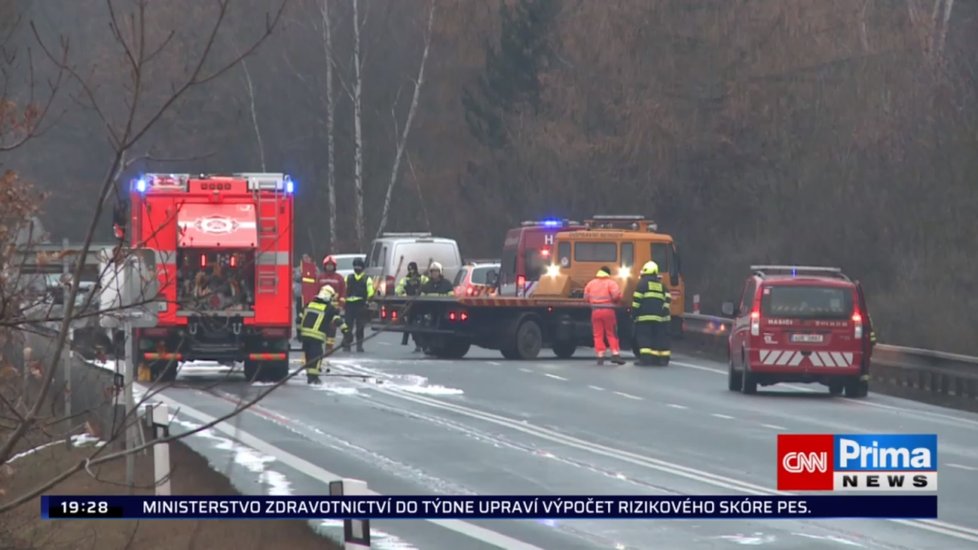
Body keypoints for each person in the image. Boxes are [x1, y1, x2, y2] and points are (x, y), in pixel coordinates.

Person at [298, 285, 348, 384]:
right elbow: (337, 320)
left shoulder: (309, 304)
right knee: (316, 357)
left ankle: (309, 376)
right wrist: (346, 331)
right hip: (316, 337)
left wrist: (299, 332)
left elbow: (299, 319)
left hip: (305, 336)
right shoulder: (329, 308)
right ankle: (314, 378)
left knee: (308, 356)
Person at [631, 261, 671, 366]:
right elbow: (667, 300)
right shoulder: (660, 285)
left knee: (643, 338)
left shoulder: (642, 284)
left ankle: (645, 360)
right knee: (656, 338)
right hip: (658, 319)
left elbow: (636, 302)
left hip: (643, 318)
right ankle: (657, 359)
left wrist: (633, 314)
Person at [583, 266, 626, 365]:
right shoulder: (611, 283)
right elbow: (616, 296)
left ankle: (600, 356)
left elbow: (585, 297)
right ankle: (615, 354)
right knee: (611, 333)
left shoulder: (591, 283)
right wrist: (618, 299)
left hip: (595, 312)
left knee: (598, 334)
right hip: (608, 311)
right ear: (608, 274)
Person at [343, 257, 374, 352]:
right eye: (355, 266)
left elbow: (370, 291)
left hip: (360, 304)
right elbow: (343, 290)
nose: (357, 268)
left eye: (359, 266)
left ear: (362, 267)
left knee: (360, 326)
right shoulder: (348, 277)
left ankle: (359, 345)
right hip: (349, 305)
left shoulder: (367, 279)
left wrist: (368, 300)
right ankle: (347, 344)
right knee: (348, 326)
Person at [395, 262, 428, 351]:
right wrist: (405, 295)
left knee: (423, 326)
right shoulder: (405, 280)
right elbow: (398, 290)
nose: (411, 271)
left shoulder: (422, 278)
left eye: (413, 269)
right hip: (410, 306)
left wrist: (423, 295)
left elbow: (428, 287)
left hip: (421, 306)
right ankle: (418, 345)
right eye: (410, 269)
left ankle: (424, 345)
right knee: (411, 326)